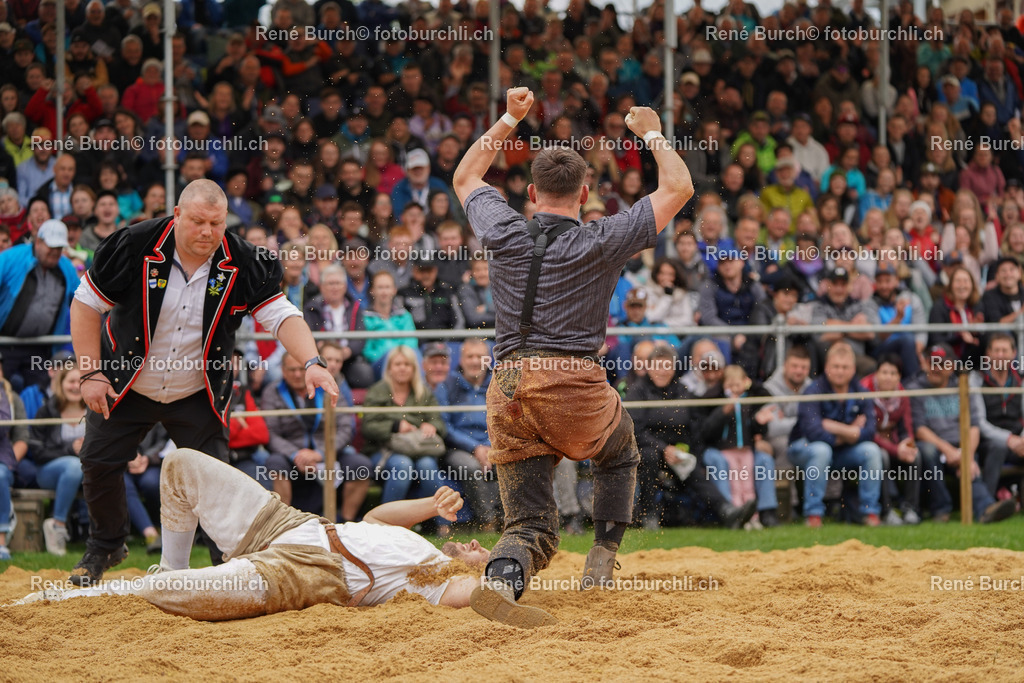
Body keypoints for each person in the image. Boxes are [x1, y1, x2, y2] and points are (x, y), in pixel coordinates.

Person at [454, 87, 692, 627]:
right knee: (622, 449)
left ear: (532, 193)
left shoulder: (503, 227)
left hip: (508, 386)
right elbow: (679, 186)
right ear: (584, 194)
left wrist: (509, 119)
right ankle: (601, 562)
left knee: (531, 525)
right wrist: (651, 131)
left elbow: (466, 177)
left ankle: (501, 583)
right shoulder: (601, 238)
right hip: (570, 383)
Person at [69, 179, 338, 585]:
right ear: (176, 215)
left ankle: (227, 564)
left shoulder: (245, 260)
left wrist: (312, 361)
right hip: (128, 384)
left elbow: (281, 315)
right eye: (197, 222)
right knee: (97, 460)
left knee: (216, 479)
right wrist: (90, 371)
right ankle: (106, 546)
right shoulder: (133, 245)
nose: (207, 233)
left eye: (216, 223)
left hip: (197, 392)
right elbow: (86, 304)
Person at [14, 448, 489, 618]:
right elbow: (376, 518)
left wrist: (496, 572)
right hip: (295, 525)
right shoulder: (424, 546)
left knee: (157, 589)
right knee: (180, 464)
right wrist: (429, 505)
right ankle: (173, 564)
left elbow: (488, 594)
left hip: (306, 573)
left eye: (480, 551)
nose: (473, 543)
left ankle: (54, 602)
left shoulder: (441, 581)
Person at [908, 343, 1016, 524]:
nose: (936, 368)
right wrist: (948, 450)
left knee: (984, 454)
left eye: (942, 364)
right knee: (926, 450)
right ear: (925, 364)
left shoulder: (963, 386)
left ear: (951, 367)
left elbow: (973, 425)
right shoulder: (915, 387)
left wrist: (967, 455)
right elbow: (919, 429)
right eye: (932, 362)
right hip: (935, 446)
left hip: (963, 444)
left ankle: (986, 508)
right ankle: (941, 509)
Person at [787, 342, 885, 527]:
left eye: (845, 367)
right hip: (803, 447)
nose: (840, 371)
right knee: (821, 450)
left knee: (871, 451)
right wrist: (851, 432)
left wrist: (835, 428)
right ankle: (814, 515)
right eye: (836, 367)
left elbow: (870, 431)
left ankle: (870, 512)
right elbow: (814, 432)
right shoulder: (813, 391)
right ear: (826, 367)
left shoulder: (862, 392)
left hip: (841, 450)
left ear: (853, 369)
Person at [261, 353, 370, 520]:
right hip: (290, 455)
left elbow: (345, 428)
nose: (297, 374)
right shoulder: (272, 392)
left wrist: (321, 453)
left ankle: (344, 523)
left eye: (300, 369)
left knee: (361, 466)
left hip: (328, 450)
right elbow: (271, 432)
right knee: (275, 465)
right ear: (282, 370)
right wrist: (296, 455)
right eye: (291, 370)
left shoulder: (328, 387)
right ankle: (282, 523)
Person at [360, 345, 447, 524]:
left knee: (428, 465)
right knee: (402, 465)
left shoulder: (423, 392)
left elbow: (439, 422)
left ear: (414, 368)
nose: (402, 368)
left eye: (407, 364)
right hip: (384, 451)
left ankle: (443, 523)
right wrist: (394, 426)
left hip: (418, 449)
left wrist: (431, 426)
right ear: (389, 368)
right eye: (398, 364)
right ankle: (386, 524)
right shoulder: (377, 390)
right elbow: (367, 426)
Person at [0, 220, 80, 393]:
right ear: (38, 241)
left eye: (59, 248)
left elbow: (81, 302)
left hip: (41, 347)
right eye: (51, 246)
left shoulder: (66, 268)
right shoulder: (10, 258)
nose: (55, 252)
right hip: (4, 343)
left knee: (42, 393)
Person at [434, 338, 502, 531]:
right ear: (461, 360)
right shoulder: (447, 385)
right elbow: (444, 426)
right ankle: (488, 521)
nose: (474, 361)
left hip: (494, 444)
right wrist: (475, 447)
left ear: (488, 360)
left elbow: (505, 420)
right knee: (470, 467)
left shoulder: (498, 384)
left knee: (508, 463)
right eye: (469, 356)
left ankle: (508, 519)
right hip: (458, 447)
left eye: (480, 356)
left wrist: (490, 446)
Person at [28, 360, 88, 556]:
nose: (75, 386)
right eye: (70, 381)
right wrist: (70, 449)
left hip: (88, 470)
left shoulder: (95, 409)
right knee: (73, 466)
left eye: (80, 381)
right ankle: (57, 525)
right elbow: (37, 452)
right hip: (49, 472)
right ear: (60, 383)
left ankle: (105, 537)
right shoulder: (46, 410)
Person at [0, 356, 31, 561]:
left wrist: (9, 464)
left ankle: (1, 539)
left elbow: (22, 439)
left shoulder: (12, 399)